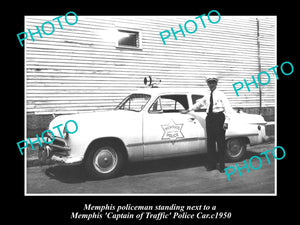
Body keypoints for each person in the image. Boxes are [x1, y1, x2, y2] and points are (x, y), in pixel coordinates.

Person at [182, 75, 234, 172]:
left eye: (213, 83)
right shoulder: (207, 95)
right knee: (210, 143)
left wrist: (226, 122)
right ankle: (212, 164)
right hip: (210, 119)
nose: (211, 85)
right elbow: (199, 104)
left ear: (216, 83)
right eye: (209, 83)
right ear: (207, 84)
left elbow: (228, 109)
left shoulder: (221, 94)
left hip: (219, 118)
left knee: (220, 143)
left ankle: (222, 166)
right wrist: (188, 110)